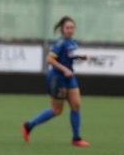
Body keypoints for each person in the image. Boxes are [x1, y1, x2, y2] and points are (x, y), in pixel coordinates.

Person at [22, 16, 91, 147]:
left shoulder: (73, 42)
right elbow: (49, 59)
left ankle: (76, 138)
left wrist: (80, 57)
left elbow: (69, 56)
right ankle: (28, 126)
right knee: (57, 110)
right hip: (57, 78)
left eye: (72, 28)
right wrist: (65, 70)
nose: (70, 30)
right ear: (62, 30)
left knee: (76, 105)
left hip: (69, 77)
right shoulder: (60, 43)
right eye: (67, 28)